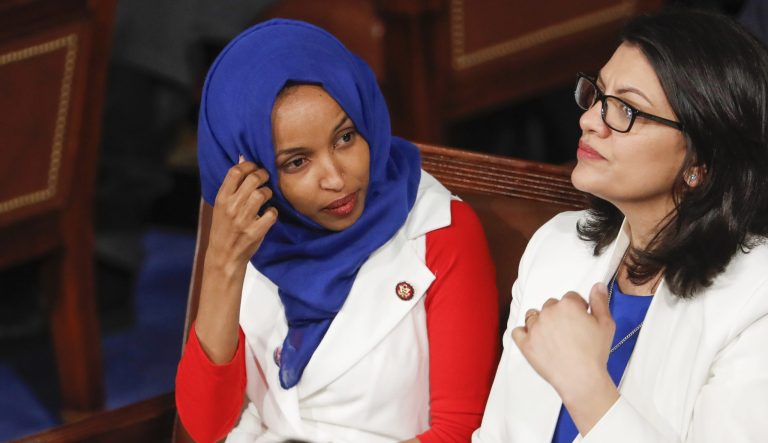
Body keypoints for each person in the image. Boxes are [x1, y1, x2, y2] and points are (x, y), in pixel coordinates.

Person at [175, 19, 500, 443]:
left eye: (345, 137)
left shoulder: (442, 230)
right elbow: (205, 426)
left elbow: (460, 433)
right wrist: (222, 265)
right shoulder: (249, 231)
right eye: (296, 162)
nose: (335, 178)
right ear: (252, 170)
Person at [474, 9, 768, 443]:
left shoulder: (755, 300)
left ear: (701, 162)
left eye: (627, 110)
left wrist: (587, 389)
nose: (589, 120)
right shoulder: (558, 245)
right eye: (598, 95)